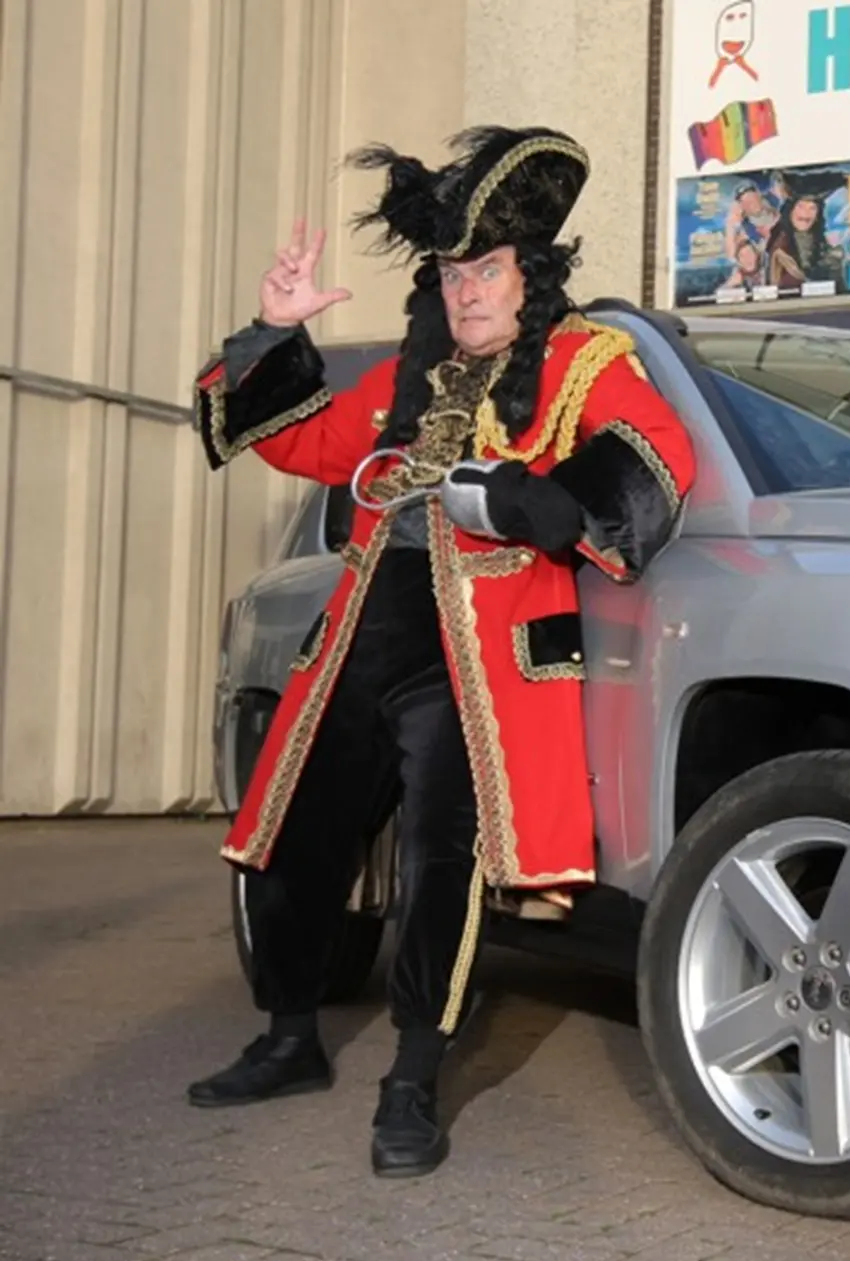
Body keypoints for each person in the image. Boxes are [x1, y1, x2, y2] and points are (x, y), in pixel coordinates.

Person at [182, 125, 697, 1179]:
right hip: (365, 633)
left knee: (440, 864)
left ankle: (413, 1076)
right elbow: (292, 438)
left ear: (531, 275)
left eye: (489, 269)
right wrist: (269, 329)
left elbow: (657, 453)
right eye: (454, 273)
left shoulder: (584, 362)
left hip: (482, 655)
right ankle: (288, 1037)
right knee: (294, 837)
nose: (468, 292)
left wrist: (535, 499)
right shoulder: (404, 382)